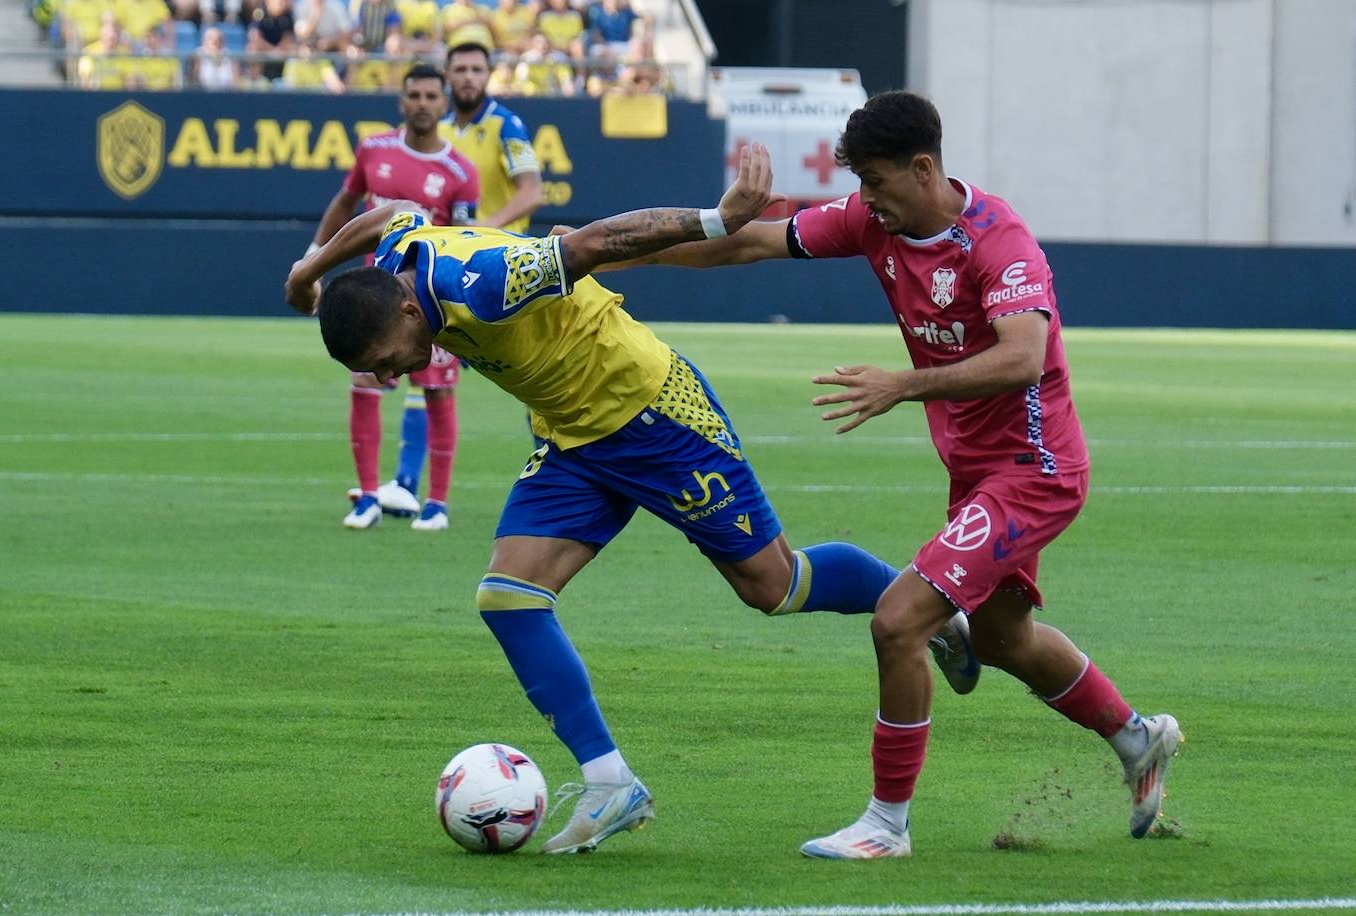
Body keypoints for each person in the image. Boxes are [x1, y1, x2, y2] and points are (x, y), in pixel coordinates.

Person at [284, 144, 981, 855]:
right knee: (508, 596)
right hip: (575, 439)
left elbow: (598, 241)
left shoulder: (485, 279)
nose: (393, 376)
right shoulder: (399, 255)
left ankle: (929, 610)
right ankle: (611, 781)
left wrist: (717, 218)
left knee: (776, 586)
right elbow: (389, 214)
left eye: (387, 360)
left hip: (653, 414)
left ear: (407, 307)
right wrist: (310, 268)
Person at [604, 90, 1182, 858]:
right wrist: (603, 253)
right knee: (1007, 640)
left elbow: (1023, 357)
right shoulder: (874, 220)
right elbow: (748, 244)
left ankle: (886, 827)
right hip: (977, 473)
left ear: (922, 168)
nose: (865, 200)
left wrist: (901, 384)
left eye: (876, 182)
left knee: (899, 620)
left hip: (1034, 472)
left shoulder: (997, 242)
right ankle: (1139, 739)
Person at [307, 63, 480, 530]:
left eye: (430, 96)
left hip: (430, 306)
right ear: (401, 102)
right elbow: (346, 203)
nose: (422, 104)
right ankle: (366, 497)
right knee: (364, 387)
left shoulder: (460, 172)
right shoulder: (373, 150)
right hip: (371, 301)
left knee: (438, 394)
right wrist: (313, 255)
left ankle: (437, 504)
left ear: (443, 104)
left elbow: (464, 240)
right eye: (414, 96)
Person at [439, 41, 543, 233]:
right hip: (451, 250)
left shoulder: (506, 124)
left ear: (488, 75)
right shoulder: (439, 129)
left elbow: (533, 192)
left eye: (477, 70)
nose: (468, 77)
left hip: (501, 249)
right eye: (460, 70)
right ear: (447, 76)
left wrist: (484, 228)